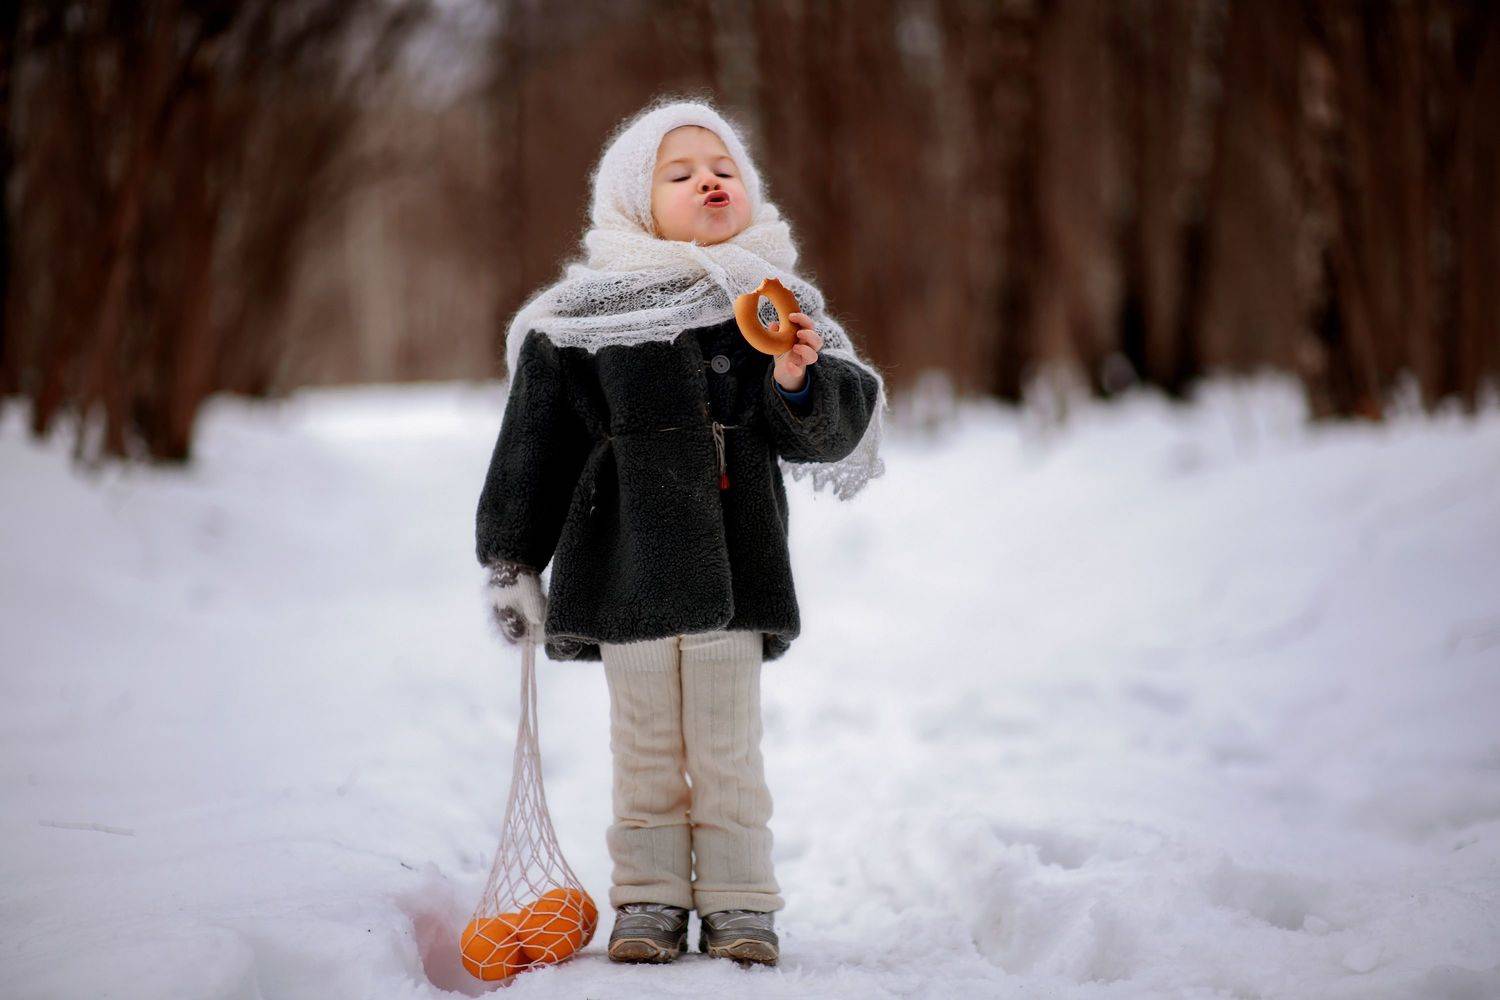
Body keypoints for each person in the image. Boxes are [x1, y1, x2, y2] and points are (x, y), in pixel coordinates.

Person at [474, 95, 888, 967]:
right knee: (647, 747)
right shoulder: (581, 320)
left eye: (724, 168)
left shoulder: (773, 303)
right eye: (681, 172)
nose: (709, 180)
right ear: (634, 200)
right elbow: (532, 449)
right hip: (623, 569)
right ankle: (651, 900)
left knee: (729, 747)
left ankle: (741, 902)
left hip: (735, 567)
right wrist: (511, 560)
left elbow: (827, 429)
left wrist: (799, 379)